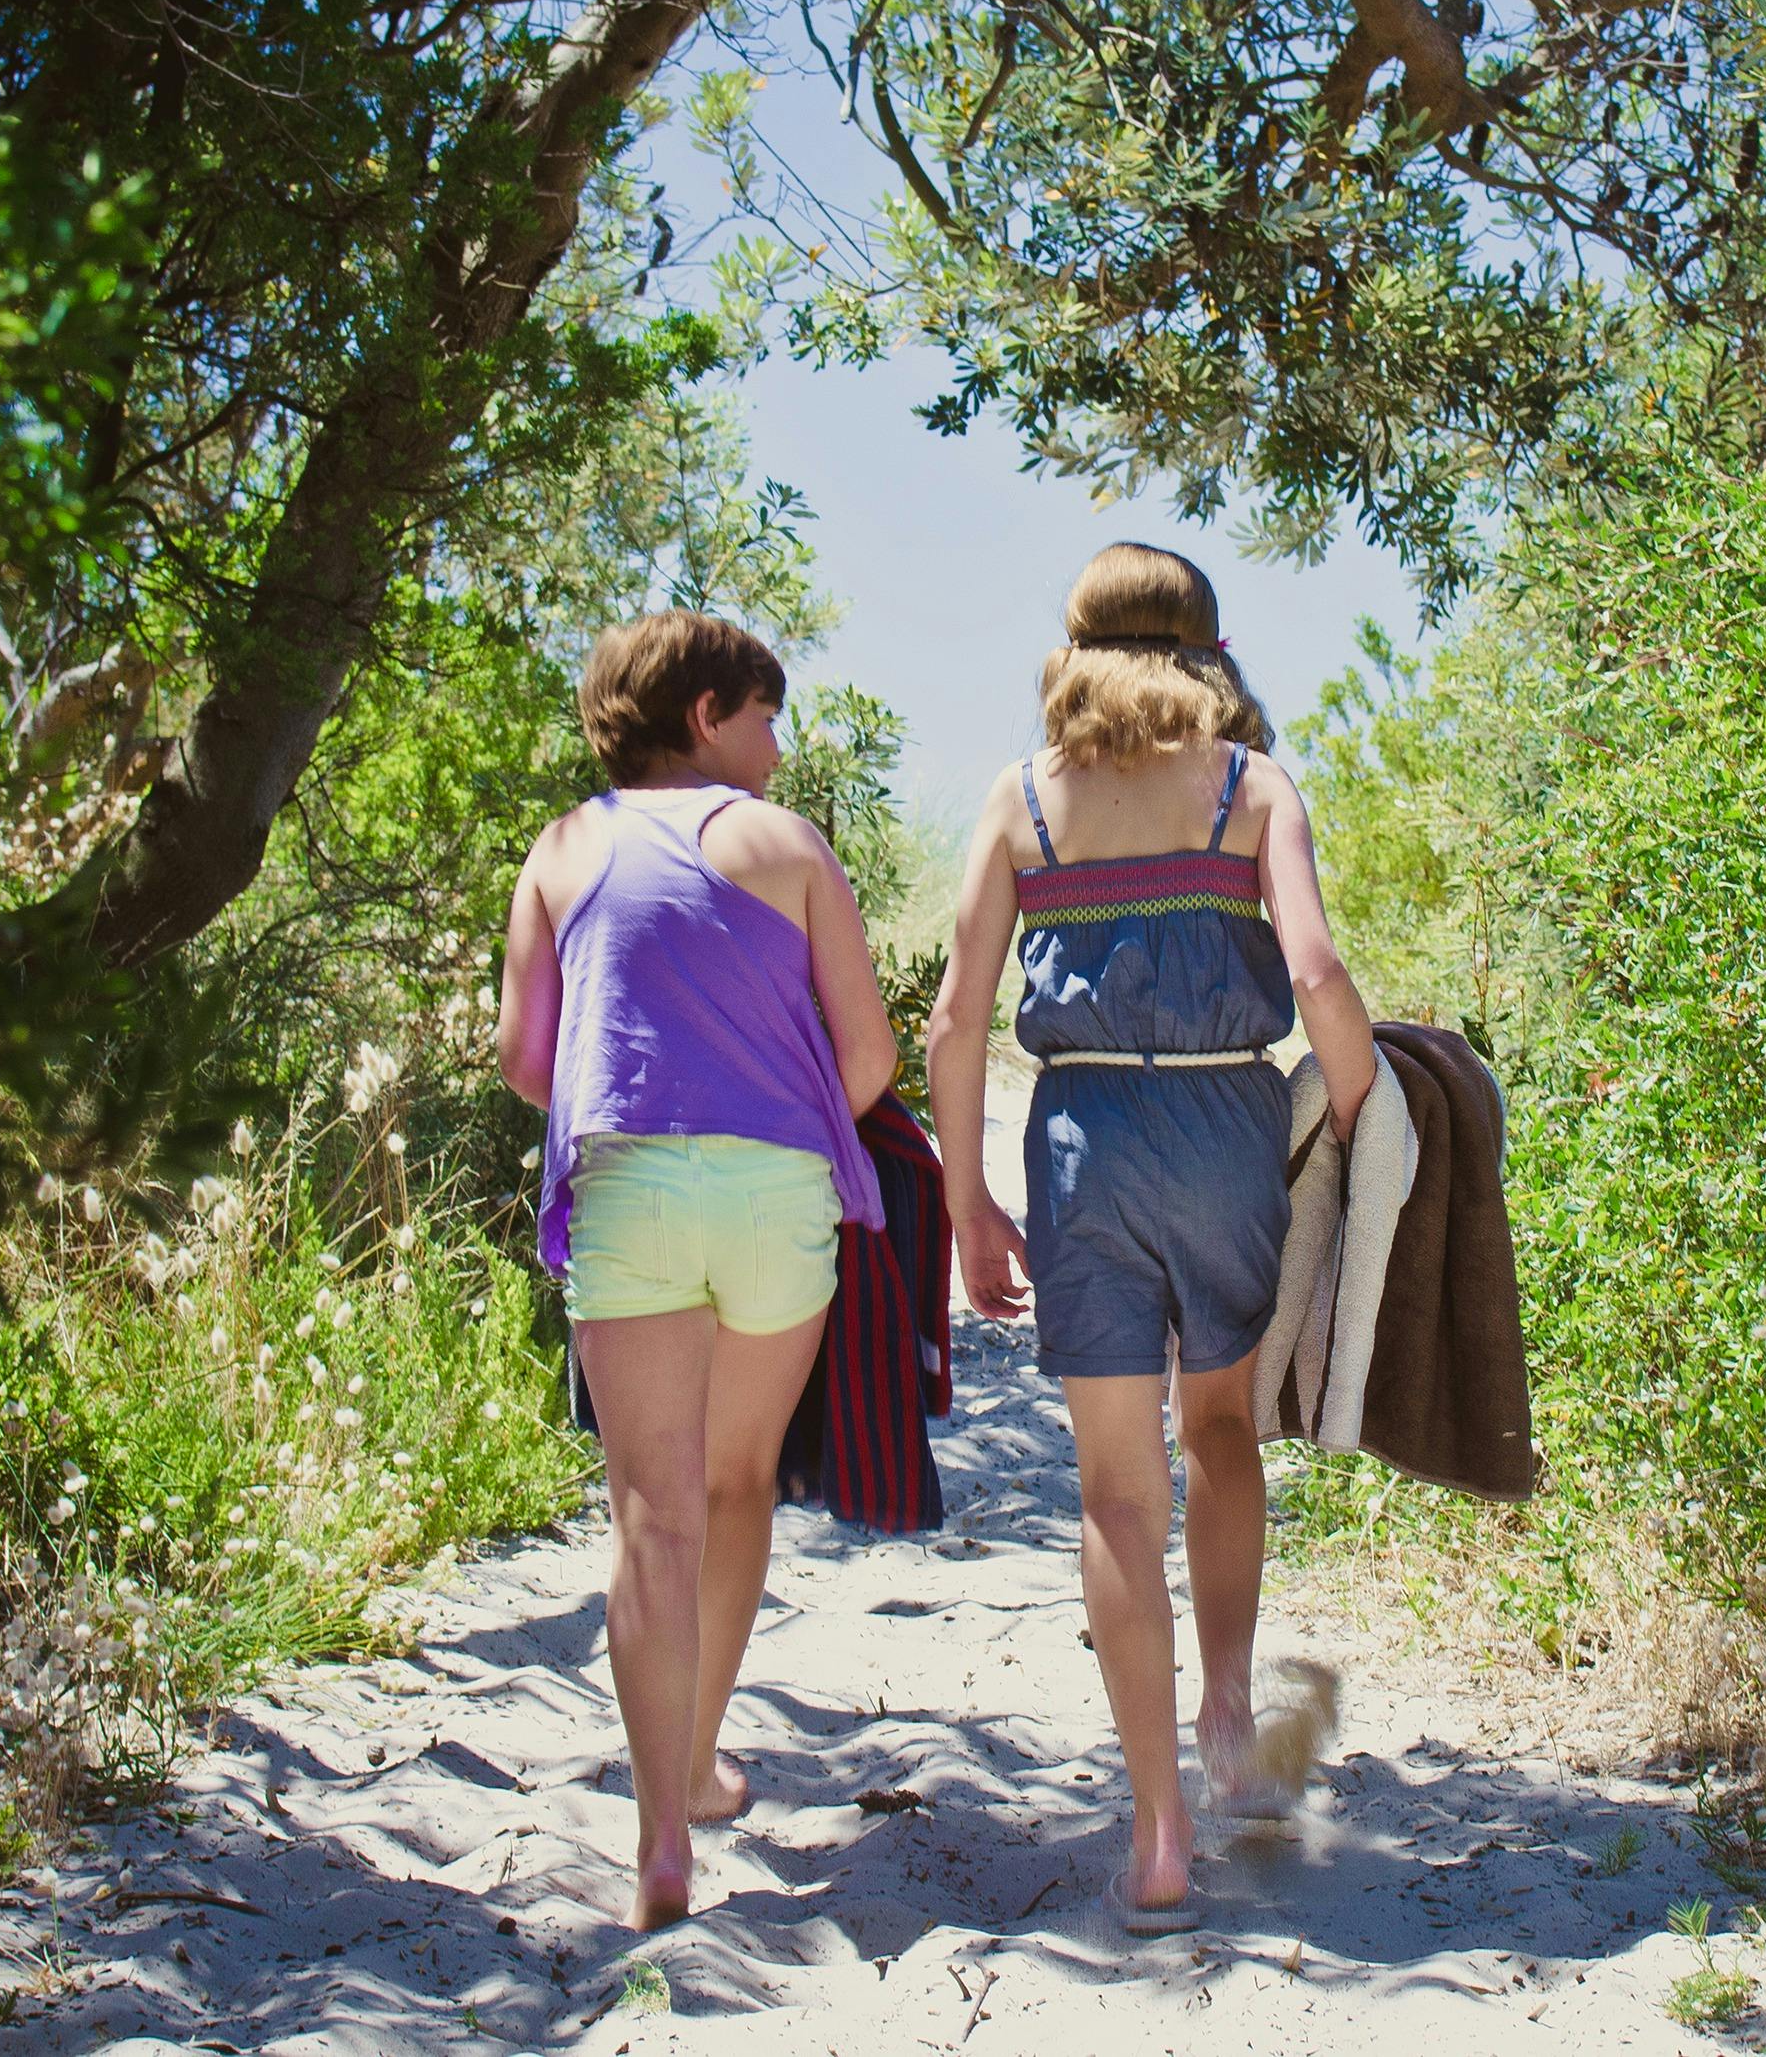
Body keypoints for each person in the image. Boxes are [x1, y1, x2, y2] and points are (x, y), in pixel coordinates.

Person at [925, 542, 1380, 1931]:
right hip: (1224, 1131)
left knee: (1115, 1497)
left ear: (1076, 643)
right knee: (1220, 1436)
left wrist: (966, 1202)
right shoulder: (1248, 788)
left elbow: (951, 1023)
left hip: (1080, 1145)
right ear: (1206, 648)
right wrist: (1360, 1117)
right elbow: (1310, 971)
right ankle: (1229, 1715)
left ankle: (1159, 1839)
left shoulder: (1020, 800)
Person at [495, 610, 898, 1931]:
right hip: (775, 1193)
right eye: (765, 717)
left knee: (648, 1520)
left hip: (628, 1192)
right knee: (735, 1487)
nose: (777, 747)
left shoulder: (561, 848)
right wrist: (785, 1120)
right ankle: (708, 1751)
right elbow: (869, 1054)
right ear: (706, 713)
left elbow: (523, 1059)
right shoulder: (783, 845)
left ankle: (662, 1832)